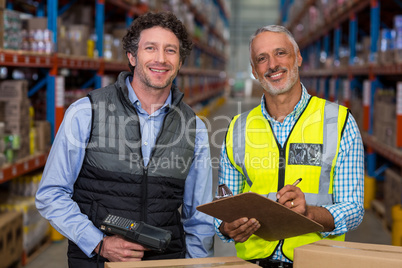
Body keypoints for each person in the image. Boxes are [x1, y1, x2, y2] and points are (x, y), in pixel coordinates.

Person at [36, 12, 215, 267]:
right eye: (150, 48)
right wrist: (98, 243)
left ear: (180, 61)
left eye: (171, 51)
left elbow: (199, 216)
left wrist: (198, 265)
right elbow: (51, 193)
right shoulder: (87, 112)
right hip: (97, 262)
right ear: (132, 56)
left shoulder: (194, 127)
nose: (161, 59)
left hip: (164, 261)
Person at [214, 25, 364, 267]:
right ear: (254, 70)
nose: (272, 64)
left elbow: (355, 209)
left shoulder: (339, 122)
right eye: (262, 58)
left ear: (298, 57)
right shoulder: (237, 128)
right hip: (253, 263)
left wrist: (309, 214)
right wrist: (226, 226)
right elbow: (225, 201)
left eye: (280, 53)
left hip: (315, 262)